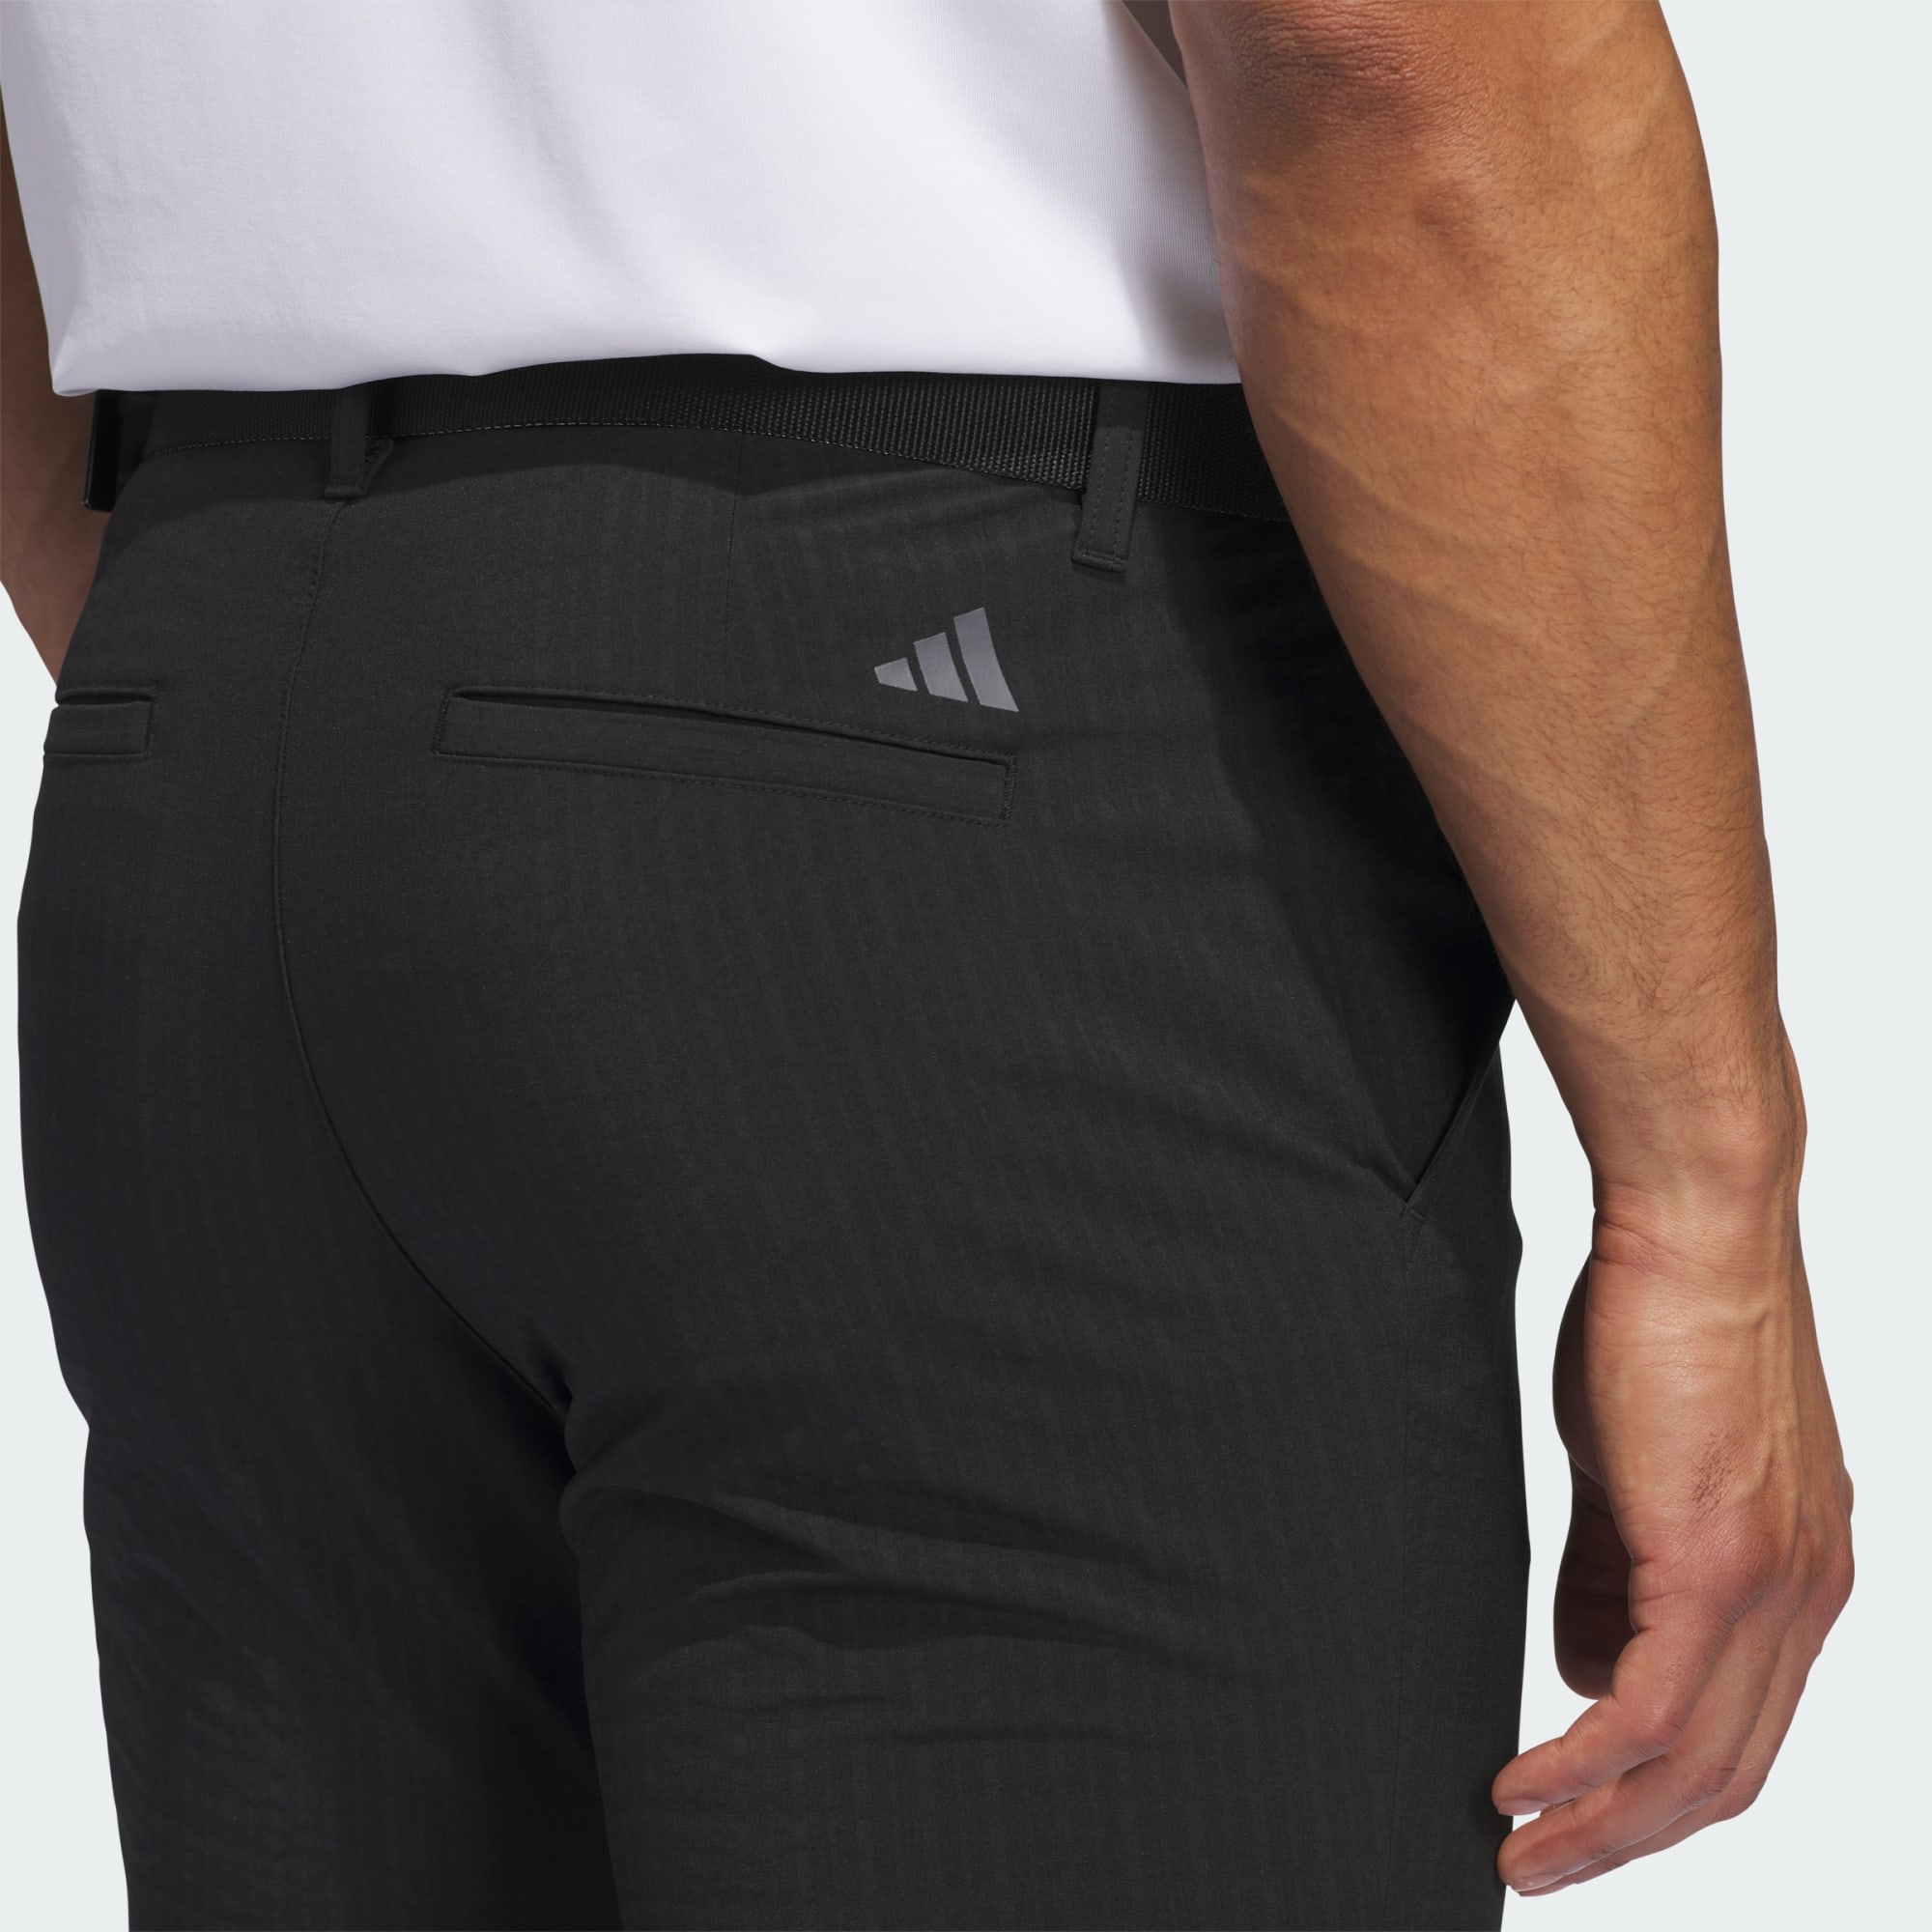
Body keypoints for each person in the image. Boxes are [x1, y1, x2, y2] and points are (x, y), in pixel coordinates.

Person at [0, 3, 1852, 1927]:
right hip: (939, 748)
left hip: (205, 728)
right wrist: (1701, 1184)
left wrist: (273, 702)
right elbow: (1377, 45)